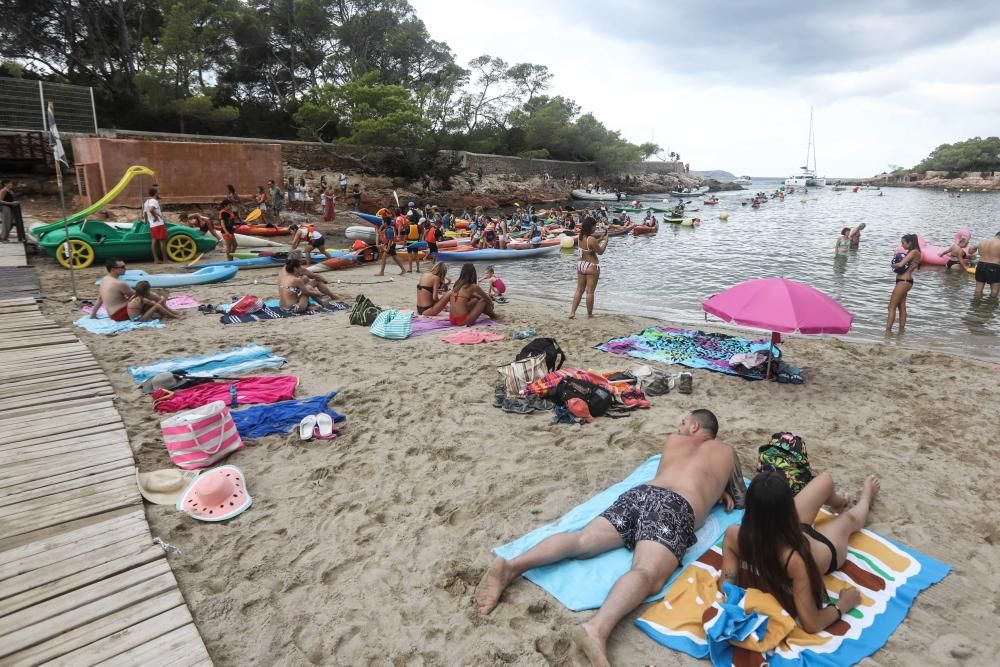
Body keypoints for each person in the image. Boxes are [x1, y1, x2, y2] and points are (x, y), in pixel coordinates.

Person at [476, 410, 743, 667]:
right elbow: (740, 496)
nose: (678, 429)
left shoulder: (673, 442)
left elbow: (678, 470)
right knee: (647, 572)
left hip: (640, 494)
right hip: (675, 508)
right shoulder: (728, 452)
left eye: (682, 423)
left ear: (695, 426)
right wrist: (721, 492)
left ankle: (512, 565)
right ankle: (596, 630)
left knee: (582, 540)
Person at [720, 471, 880, 633]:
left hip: (788, 534)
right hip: (822, 548)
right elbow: (811, 623)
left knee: (825, 480)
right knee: (848, 520)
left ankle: (840, 502)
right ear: (788, 509)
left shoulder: (734, 535)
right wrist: (843, 604)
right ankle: (866, 498)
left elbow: (727, 585)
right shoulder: (795, 562)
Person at [570, 216, 609, 319]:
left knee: (579, 290)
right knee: (590, 291)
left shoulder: (580, 237)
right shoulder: (591, 239)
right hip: (591, 266)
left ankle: (572, 312)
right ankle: (590, 314)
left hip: (581, 265)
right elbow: (600, 252)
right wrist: (606, 241)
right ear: (591, 226)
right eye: (594, 226)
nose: (595, 227)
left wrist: (600, 238)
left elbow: (590, 247)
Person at [887, 234, 921, 334]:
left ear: (910, 242)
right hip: (905, 281)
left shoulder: (914, 252)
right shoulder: (912, 252)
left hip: (904, 281)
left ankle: (888, 331)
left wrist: (892, 264)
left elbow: (900, 264)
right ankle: (901, 332)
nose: (902, 245)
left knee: (891, 306)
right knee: (901, 307)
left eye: (903, 243)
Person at [143, 187, 167, 263]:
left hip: (152, 225)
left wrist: (146, 221)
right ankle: (165, 260)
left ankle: (156, 260)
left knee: (154, 242)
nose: (159, 192)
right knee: (162, 242)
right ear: (155, 193)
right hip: (158, 224)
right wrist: (157, 217)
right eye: (158, 191)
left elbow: (145, 212)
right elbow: (151, 209)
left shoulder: (146, 202)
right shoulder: (154, 201)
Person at [975, 231, 1000, 298]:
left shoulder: (983, 242)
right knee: (994, 291)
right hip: (994, 266)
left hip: (981, 264)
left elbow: (980, 254)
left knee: (978, 289)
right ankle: (991, 306)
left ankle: (976, 305)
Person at [0, 179, 19, 243]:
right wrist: (12, 203)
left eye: (11, 183)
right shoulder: (3, 190)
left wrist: (15, 203)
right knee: (6, 224)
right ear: (5, 184)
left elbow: (12, 199)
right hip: (5, 208)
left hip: (10, 208)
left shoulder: (10, 191)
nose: (11, 185)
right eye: (10, 183)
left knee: (12, 223)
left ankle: (3, 236)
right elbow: (0, 201)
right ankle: (3, 238)